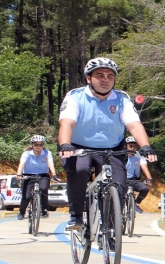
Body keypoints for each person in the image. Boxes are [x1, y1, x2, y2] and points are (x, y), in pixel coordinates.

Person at [58, 57, 157, 228]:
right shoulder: (75, 96)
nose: (105, 79)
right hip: (79, 147)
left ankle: (111, 228)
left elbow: (134, 124)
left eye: (110, 76)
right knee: (80, 170)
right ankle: (76, 216)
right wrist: (65, 144)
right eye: (100, 75)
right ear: (88, 78)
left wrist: (146, 146)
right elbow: (67, 122)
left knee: (119, 185)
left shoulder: (122, 99)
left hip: (112, 149)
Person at [16, 135, 59, 220]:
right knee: (27, 197)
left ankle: (44, 210)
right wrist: (19, 174)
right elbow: (22, 164)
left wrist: (54, 174)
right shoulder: (26, 153)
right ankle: (22, 212)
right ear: (32, 145)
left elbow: (50, 163)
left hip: (43, 175)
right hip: (28, 175)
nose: (38, 146)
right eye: (36, 144)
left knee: (43, 189)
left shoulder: (47, 153)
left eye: (40, 144)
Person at [125, 136, 153, 213]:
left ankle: (136, 204)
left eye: (135, 146)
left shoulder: (139, 155)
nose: (133, 148)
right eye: (130, 146)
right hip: (123, 180)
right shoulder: (122, 155)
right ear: (126, 146)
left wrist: (149, 178)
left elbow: (144, 167)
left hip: (134, 180)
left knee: (144, 189)